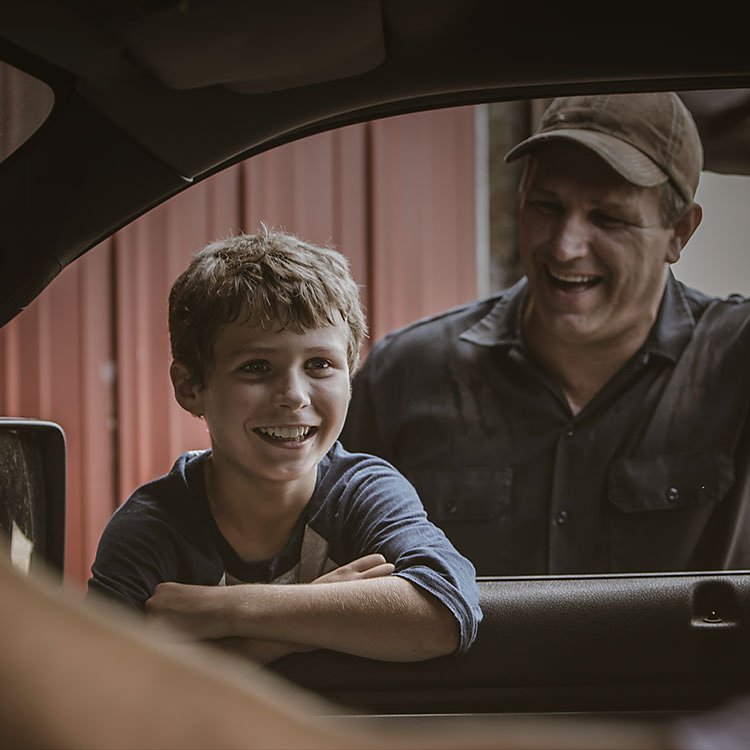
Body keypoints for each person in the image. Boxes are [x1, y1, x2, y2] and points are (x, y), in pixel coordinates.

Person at [342, 92, 750, 576]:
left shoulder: (736, 358)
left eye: (607, 217)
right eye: (546, 206)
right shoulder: (403, 373)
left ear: (679, 231)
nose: (564, 246)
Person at [86, 227, 481, 664]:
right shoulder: (152, 529)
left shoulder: (363, 493)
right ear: (190, 386)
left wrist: (218, 612)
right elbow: (95, 687)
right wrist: (301, 622)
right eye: (256, 367)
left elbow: (443, 613)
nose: (294, 394)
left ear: (349, 378)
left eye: (319, 364)